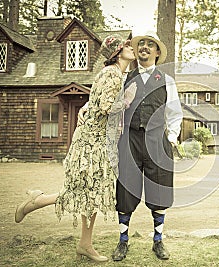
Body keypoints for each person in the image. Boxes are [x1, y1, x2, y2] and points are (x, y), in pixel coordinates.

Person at [14, 35, 137, 263]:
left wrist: (87, 105)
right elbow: (107, 106)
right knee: (83, 193)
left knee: (91, 195)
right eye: (127, 46)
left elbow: (95, 99)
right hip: (91, 143)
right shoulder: (112, 74)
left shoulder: (116, 74)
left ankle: (84, 244)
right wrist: (128, 100)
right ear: (117, 52)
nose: (132, 48)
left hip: (98, 141)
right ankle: (38, 201)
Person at [111, 31, 183, 261]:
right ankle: (123, 241)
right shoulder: (125, 78)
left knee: (159, 191)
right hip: (129, 140)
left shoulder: (167, 81)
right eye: (140, 44)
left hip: (156, 141)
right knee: (125, 191)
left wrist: (170, 138)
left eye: (149, 45)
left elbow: (174, 112)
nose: (144, 47)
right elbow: (112, 108)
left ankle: (158, 241)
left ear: (157, 52)